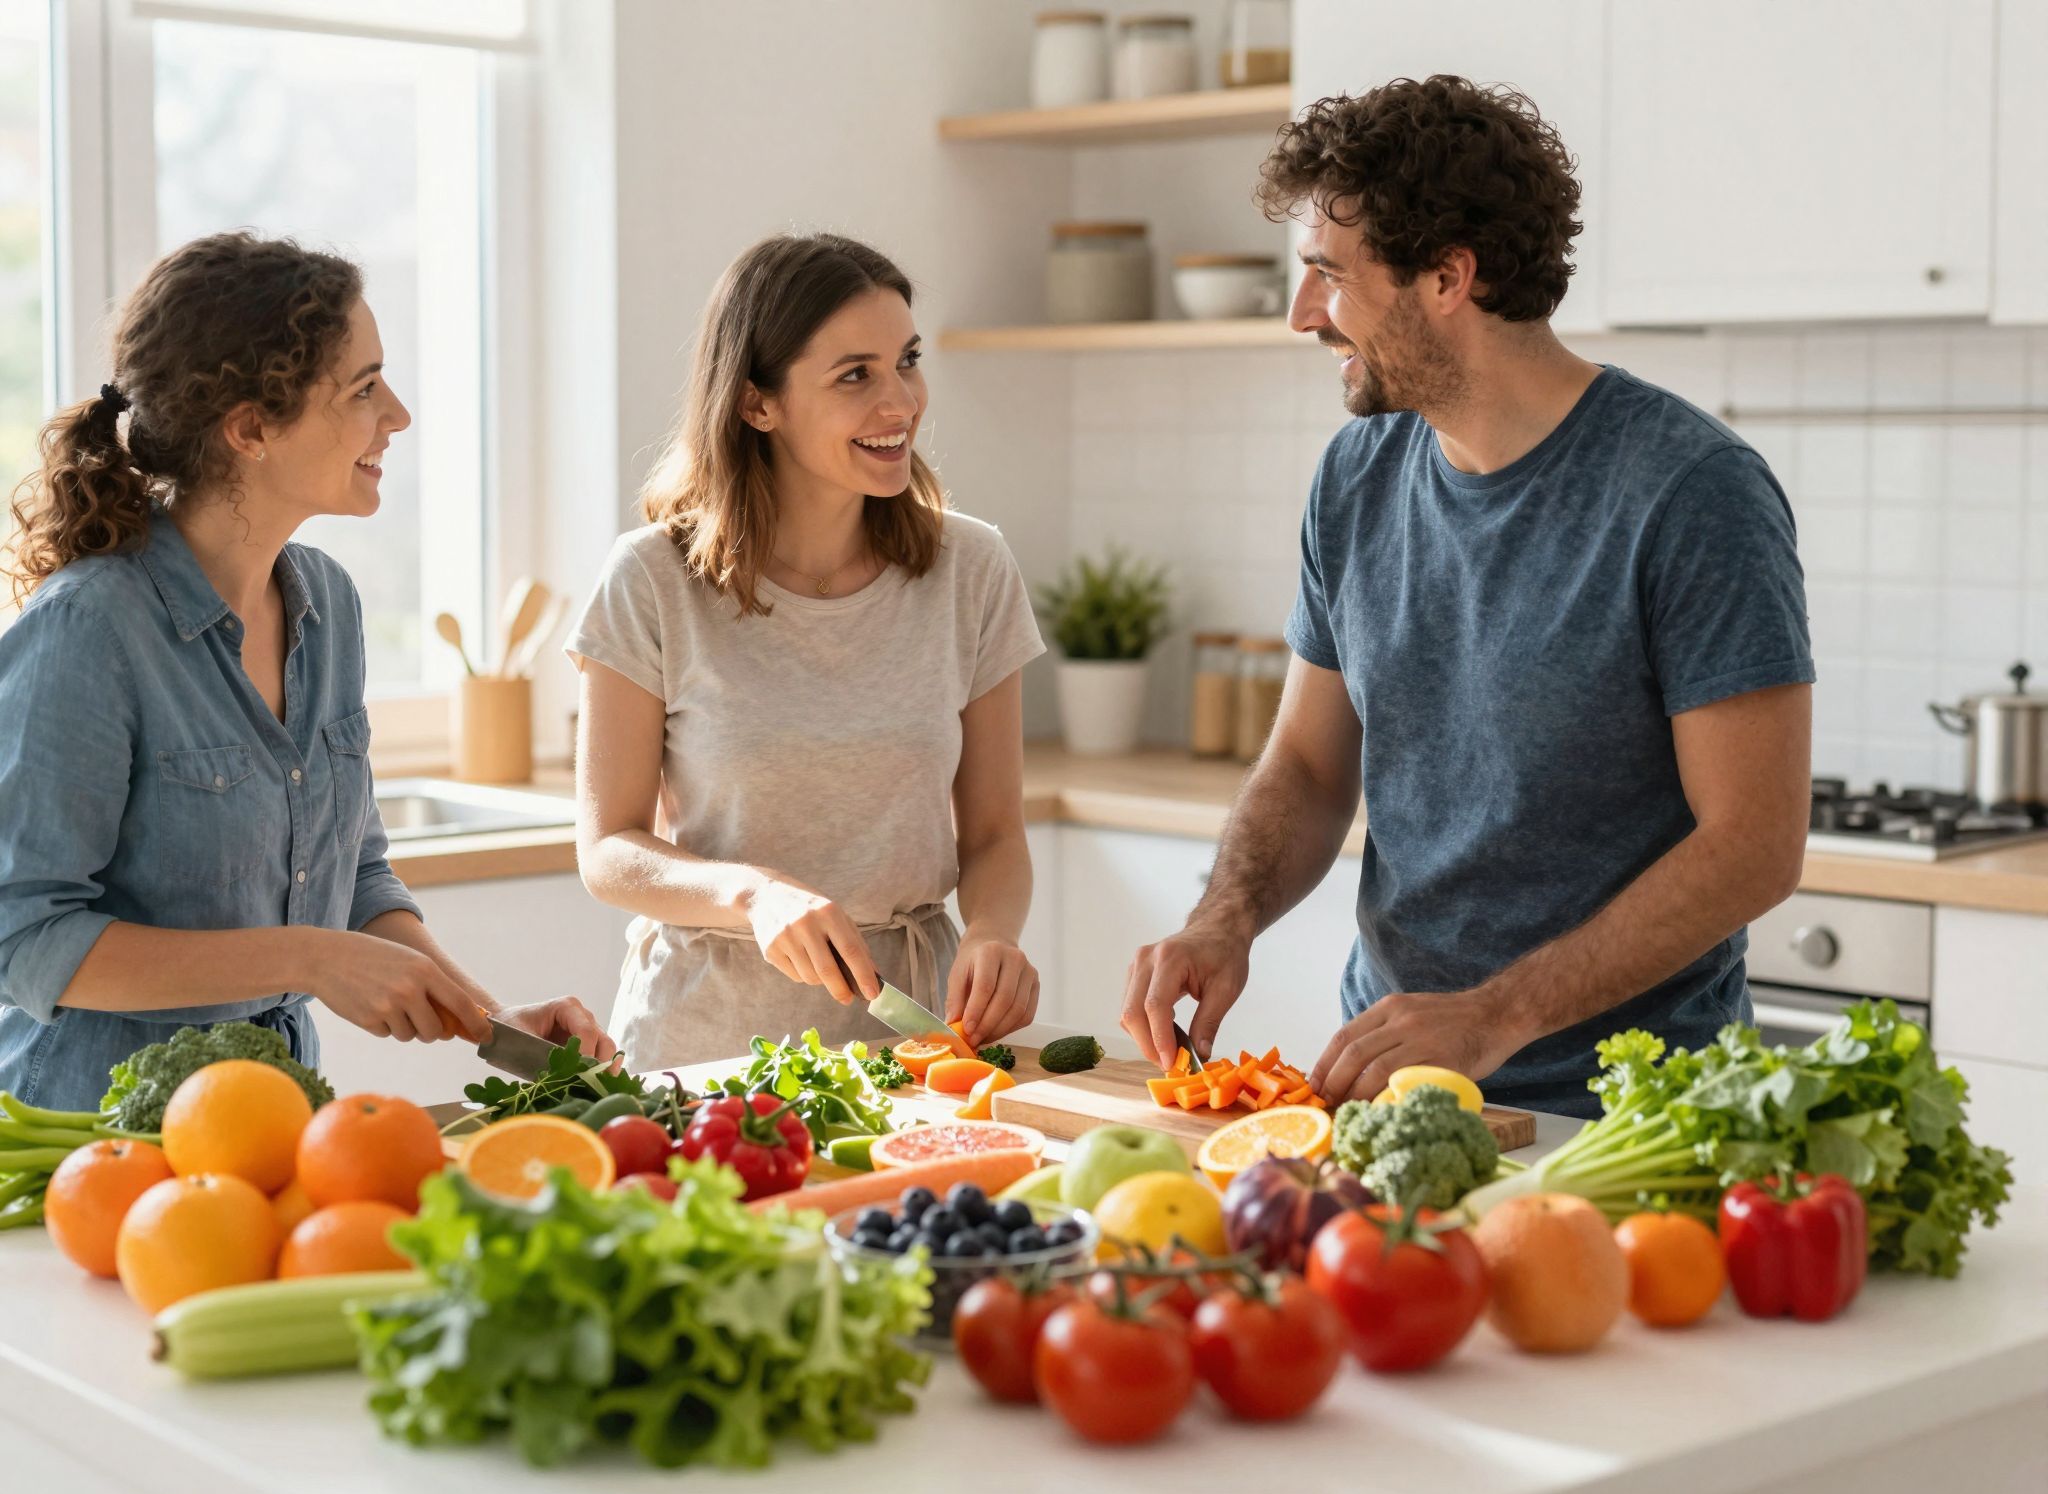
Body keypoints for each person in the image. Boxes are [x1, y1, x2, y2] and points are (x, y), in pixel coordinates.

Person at [1120, 78, 1813, 1116]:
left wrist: (1494, 1012)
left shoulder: (1689, 491)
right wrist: (1224, 915)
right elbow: (1309, 767)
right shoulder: (1355, 475)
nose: (1302, 313)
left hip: (1631, 1112)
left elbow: (1750, 846)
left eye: (1325, 276)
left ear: (1447, 276)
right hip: (1398, 1095)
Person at [0, 232, 612, 1112]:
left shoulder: (329, 605)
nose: (396, 415)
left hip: (276, 1121)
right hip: (89, 1141)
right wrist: (306, 955)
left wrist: (492, 1024)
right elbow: (26, 939)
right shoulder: (88, 631)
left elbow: (353, 876)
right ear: (251, 429)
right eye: (364, 389)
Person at [570, 233, 1045, 1071]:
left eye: (907, 361)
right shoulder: (652, 579)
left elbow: (997, 830)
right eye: (854, 375)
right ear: (758, 403)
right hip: (705, 1044)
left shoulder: (971, 570)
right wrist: (751, 894)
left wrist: (995, 934)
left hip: (910, 1045)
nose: (899, 401)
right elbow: (609, 848)